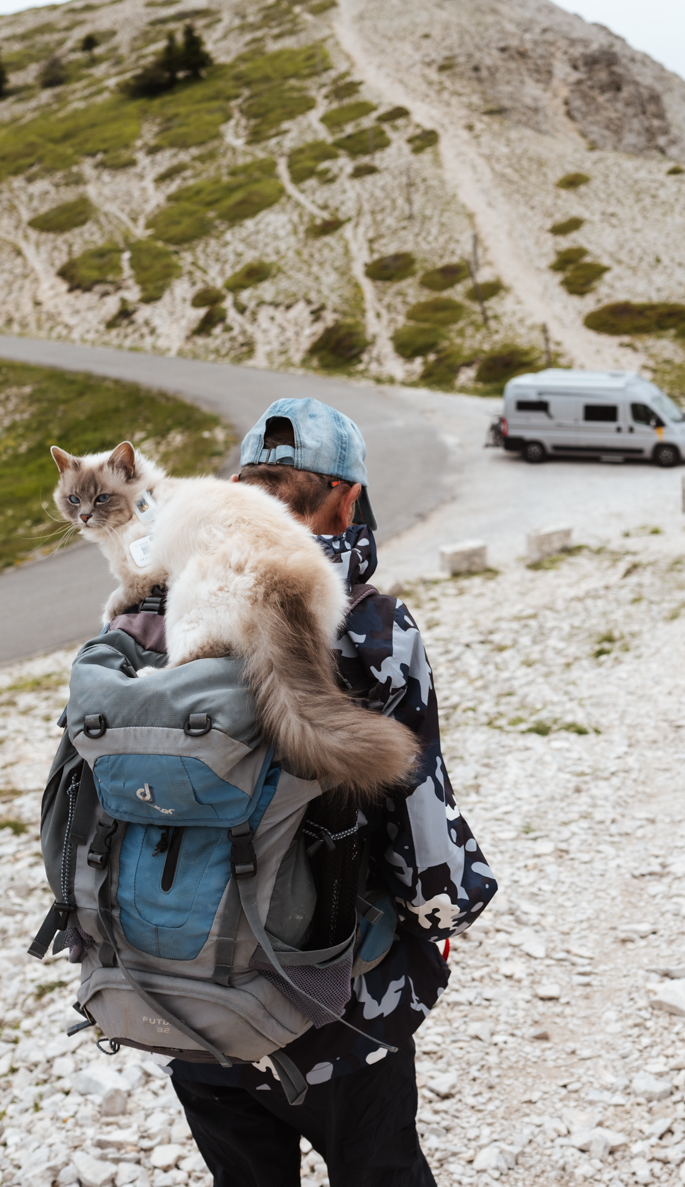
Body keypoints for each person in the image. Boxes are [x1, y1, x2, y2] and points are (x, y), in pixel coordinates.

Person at [163, 397, 496, 1187]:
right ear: (348, 496)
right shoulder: (373, 626)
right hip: (337, 994)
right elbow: (418, 807)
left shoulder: (156, 613)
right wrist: (448, 912)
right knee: (380, 1171)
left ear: (238, 488)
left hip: (184, 987)